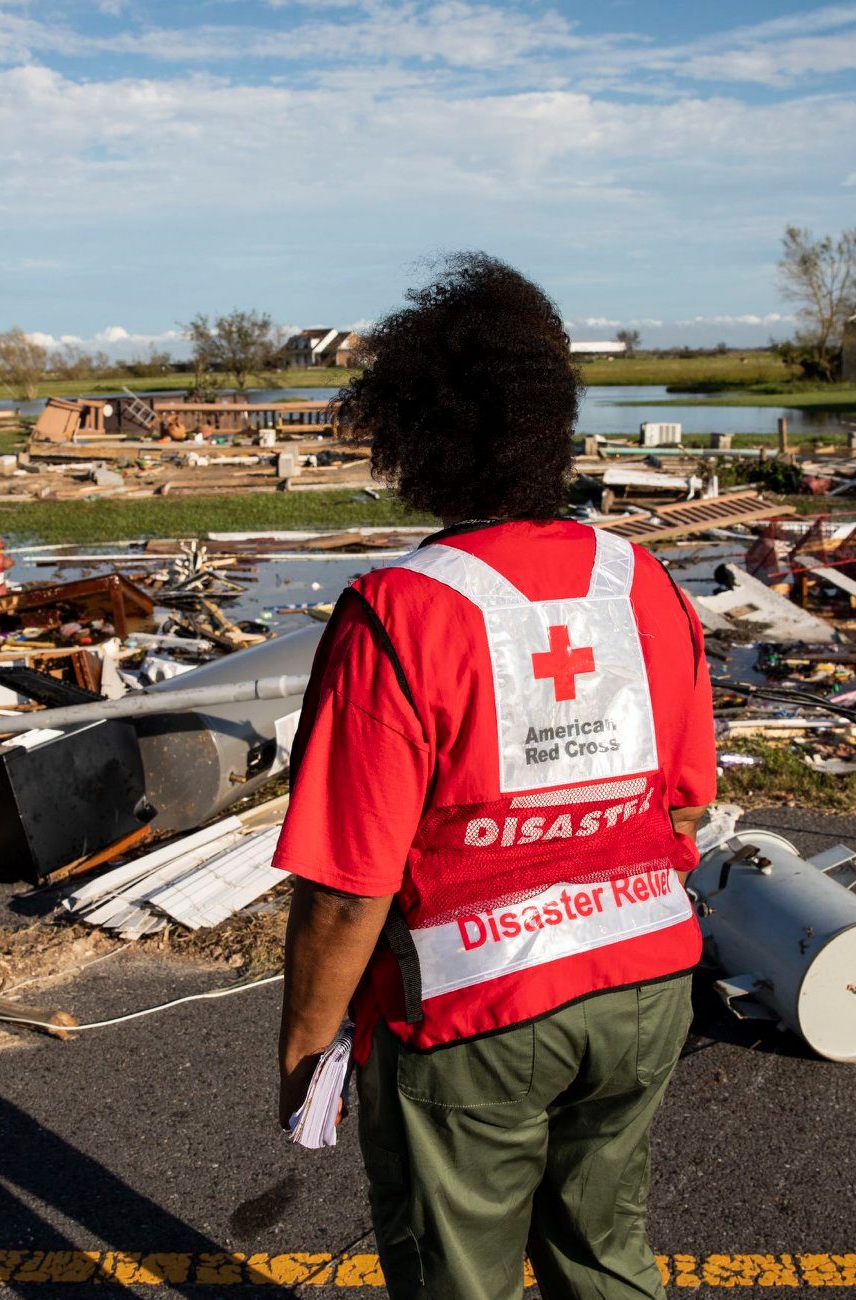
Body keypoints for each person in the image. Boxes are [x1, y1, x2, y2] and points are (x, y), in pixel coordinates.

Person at [273, 252, 717, 1300]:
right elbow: (689, 800)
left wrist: (304, 1047)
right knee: (607, 1257)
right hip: (647, 983)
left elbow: (347, 890)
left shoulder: (401, 610)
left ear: (412, 432)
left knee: (457, 1280)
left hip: (474, 1012)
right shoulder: (641, 578)